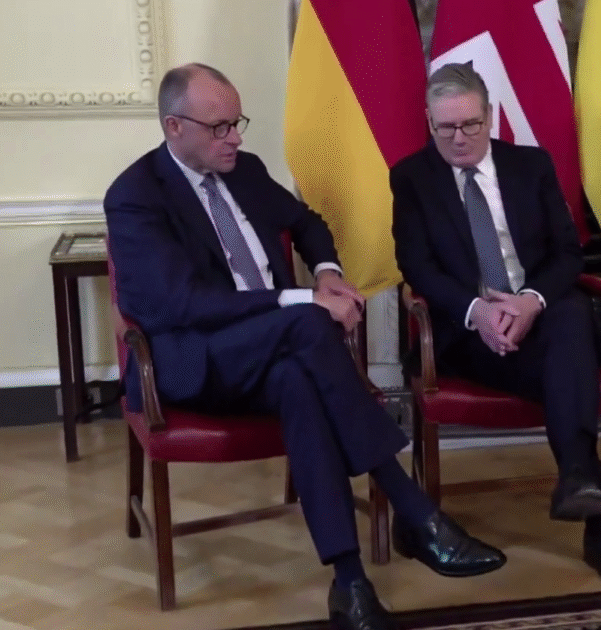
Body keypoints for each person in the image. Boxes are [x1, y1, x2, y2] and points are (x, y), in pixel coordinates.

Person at [105, 63, 506, 630]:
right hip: (195, 360)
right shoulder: (135, 197)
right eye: (218, 127)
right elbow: (183, 305)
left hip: (275, 354)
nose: (235, 138)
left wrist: (325, 271)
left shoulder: (244, 171)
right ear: (174, 126)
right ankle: (415, 512)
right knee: (308, 327)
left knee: (300, 378)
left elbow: (308, 221)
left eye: (237, 122)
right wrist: (299, 302)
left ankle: (350, 584)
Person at [390, 62, 601, 588]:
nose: (459, 138)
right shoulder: (411, 177)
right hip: (466, 335)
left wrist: (529, 301)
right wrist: (479, 312)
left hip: (540, 320)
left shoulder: (530, 165)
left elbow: (567, 255)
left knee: (569, 314)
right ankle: (596, 516)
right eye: (445, 128)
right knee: (571, 350)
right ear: (428, 120)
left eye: (470, 125)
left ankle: (583, 487)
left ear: (491, 115)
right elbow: (417, 267)